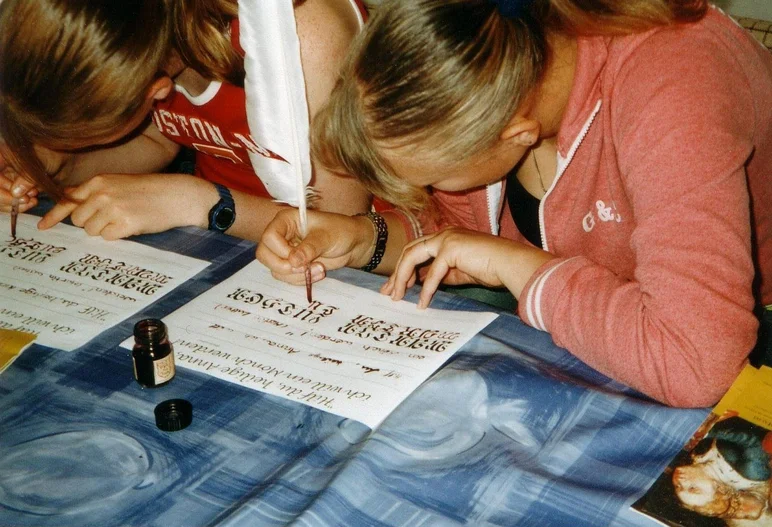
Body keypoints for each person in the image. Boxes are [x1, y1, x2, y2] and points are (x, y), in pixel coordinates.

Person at [256, 0, 772, 407]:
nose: (435, 187)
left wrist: (516, 265)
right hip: (609, 316)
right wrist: (361, 238)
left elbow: (696, 362)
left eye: (436, 176)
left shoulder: (673, 85)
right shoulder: (491, 64)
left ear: (517, 134)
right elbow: (455, 239)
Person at [0, 0, 370, 241]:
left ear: (156, 91)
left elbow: (337, 227)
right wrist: (57, 166)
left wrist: (196, 202)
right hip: (219, 238)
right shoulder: (147, 33)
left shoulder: (299, 31)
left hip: (367, 258)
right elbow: (159, 140)